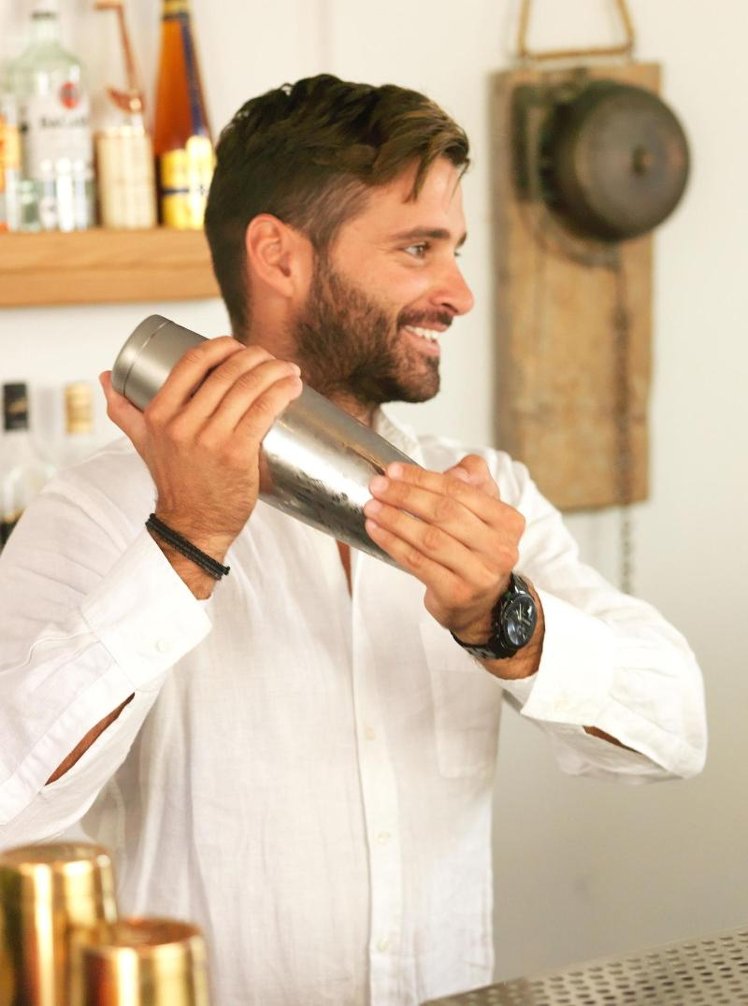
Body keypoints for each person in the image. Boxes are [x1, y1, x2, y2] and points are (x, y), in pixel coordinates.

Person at [0, 74, 706, 1005]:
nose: (459, 293)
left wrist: (506, 621)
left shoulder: (482, 496)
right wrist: (184, 543)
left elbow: (674, 735)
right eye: (418, 248)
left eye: (455, 251)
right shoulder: (97, 512)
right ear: (279, 256)